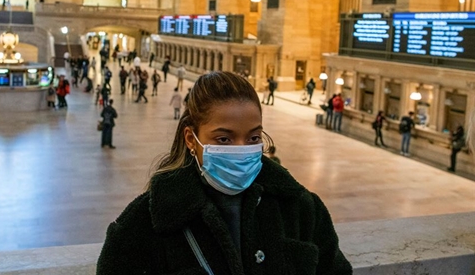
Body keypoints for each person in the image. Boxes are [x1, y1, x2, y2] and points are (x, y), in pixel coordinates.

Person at [96, 72, 352, 274]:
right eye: (224, 139)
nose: (242, 150)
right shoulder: (144, 225)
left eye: (253, 137)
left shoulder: (301, 209)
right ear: (191, 139)